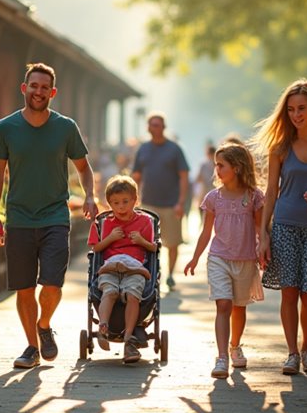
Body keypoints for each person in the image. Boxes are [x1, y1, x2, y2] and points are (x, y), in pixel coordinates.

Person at [0, 62, 98, 369]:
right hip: (19, 217)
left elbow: (83, 167)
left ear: (53, 92)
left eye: (44, 88)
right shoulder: (6, 127)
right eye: (33, 86)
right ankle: (31, 348)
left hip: (55, 217)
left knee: (52, 283)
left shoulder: (65, 127)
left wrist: (90, 194)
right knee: (24, 287)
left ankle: (45, 324)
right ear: (24, 89)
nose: (38, 92)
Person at [253, 79, 307, 375]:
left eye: (301, 108)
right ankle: (292, 353)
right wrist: (262, 234)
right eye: (290, 109)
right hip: (285, 225)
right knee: (289, 292)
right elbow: (270, 193)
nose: (296, 115)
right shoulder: (279, 148)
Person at [183, 143, 265, 379]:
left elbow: (260, 228)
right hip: (219, 258)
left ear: (237, 168)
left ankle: (235, 345)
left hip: (246, 259)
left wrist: (263, 249)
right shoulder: (213, 198)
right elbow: (206, 232)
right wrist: (195, 258)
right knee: (224, 305)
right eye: (216, 165)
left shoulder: (253, 197)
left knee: (239, 306)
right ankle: (221, 357)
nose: (216, 169)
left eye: (221, 165)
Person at [87, 175, 156, 364]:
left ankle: (128, 339)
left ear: (135, 200)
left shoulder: (145, 222)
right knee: (109, 291)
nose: (121, 207)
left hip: (134, 267)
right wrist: (110, 238)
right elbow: (96, 248)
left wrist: (141, 241)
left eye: (126, 202)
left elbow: (153, 248)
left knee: (133, 294)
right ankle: (103, 326)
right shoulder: (104, 223)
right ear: (109, 204)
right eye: (115, 203)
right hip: (111, 265)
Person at [131, 113, 189, 289]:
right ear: (148, 127)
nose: (154, 127)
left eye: (157, 125)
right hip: (148, 203)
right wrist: (133, 200)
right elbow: (136, 175)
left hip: (170, 204)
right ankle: (151, 273)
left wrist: (181, 202)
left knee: (172, 242)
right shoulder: (143, 149)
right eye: (151, 125)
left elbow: (184, 176)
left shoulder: (174, 149)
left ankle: (170, 274)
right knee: (148, 242)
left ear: (163, 127)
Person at [193, 144, 216, 211]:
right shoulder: (217, 164)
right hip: (207, 193)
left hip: (206, 194)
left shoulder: (204, 164)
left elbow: (197, 178)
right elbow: (198, 178)